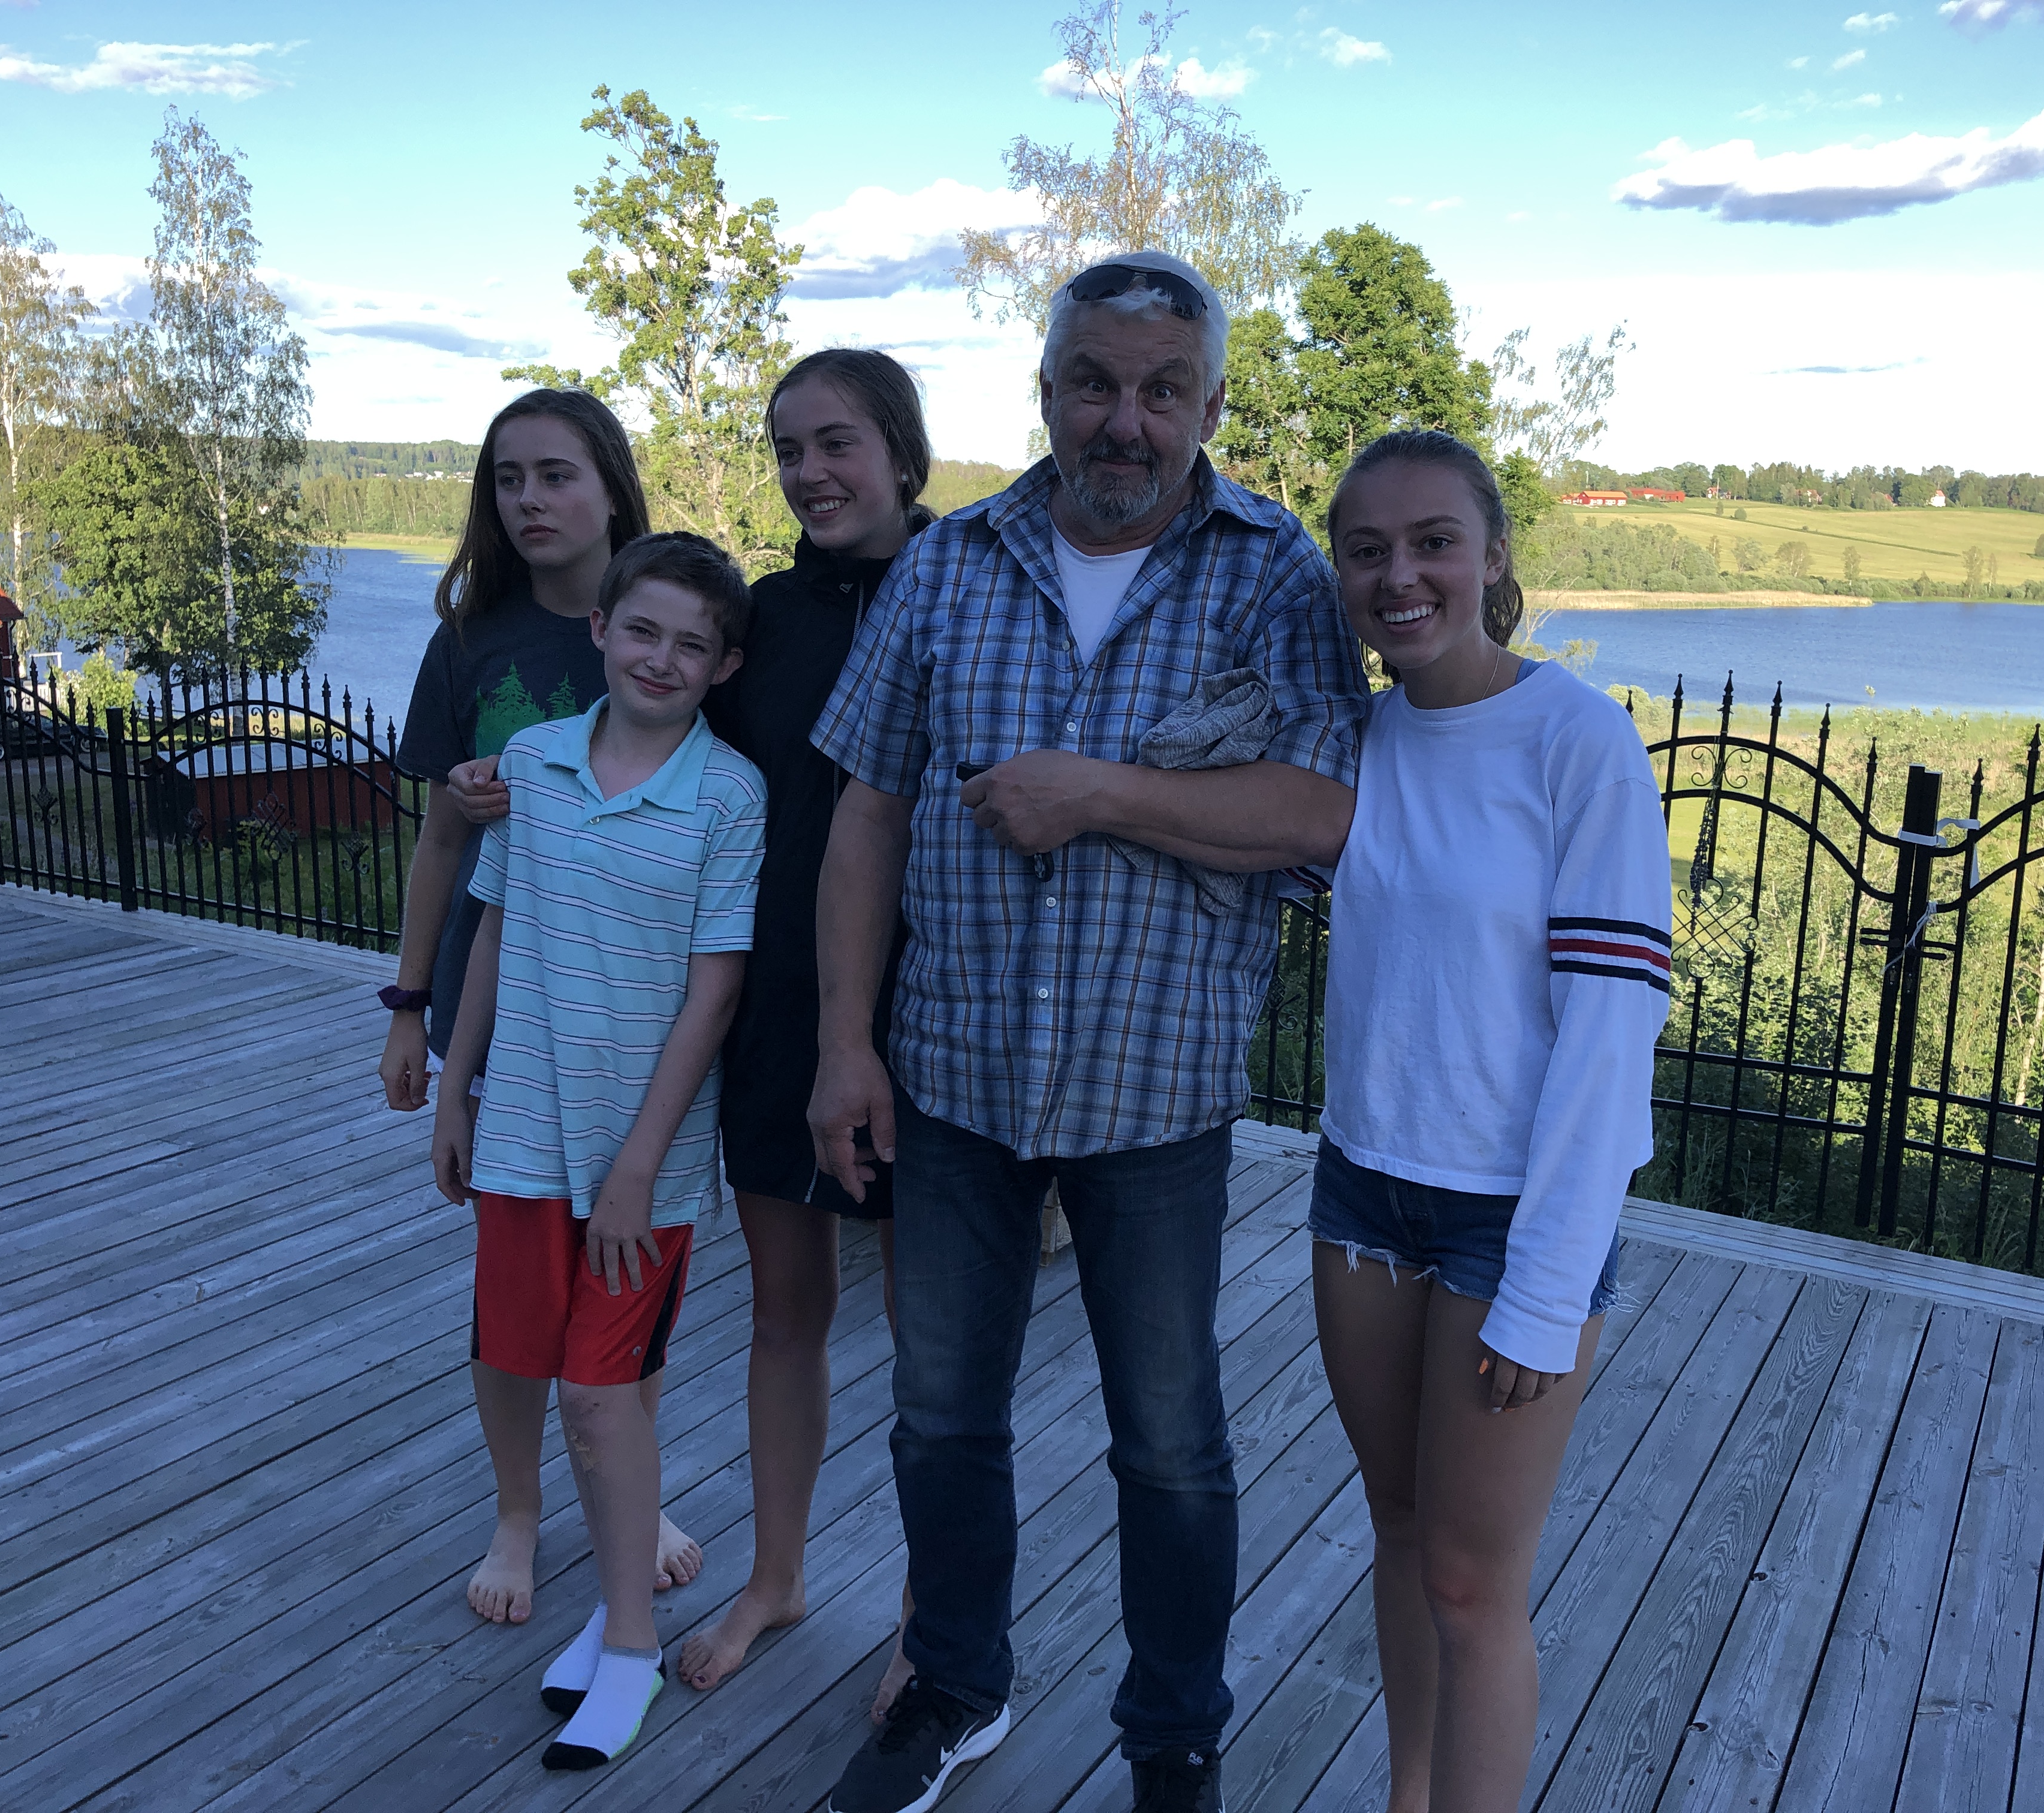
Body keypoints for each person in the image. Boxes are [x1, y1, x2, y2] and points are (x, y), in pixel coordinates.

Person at [808, 252, 1368, 1813]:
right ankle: (954, 1688)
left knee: (1171, 1445)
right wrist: (846, 1042)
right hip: (953, 1075)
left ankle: (1173, 1736)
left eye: (1162, 390)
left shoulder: (1274, 573)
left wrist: (1098, 793)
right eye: (1095, 383)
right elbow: (868, 808)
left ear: (1210, 403)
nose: (1126, 420)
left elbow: (1322, 812)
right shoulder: (951, 563)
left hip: (1157, 1094)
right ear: (1045, 388)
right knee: (940, 1417)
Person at [1311, 432, 1671, 1813]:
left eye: (1433, 542)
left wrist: (1547, 1287)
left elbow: (1608, 1039)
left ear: (1493, 557)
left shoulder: (1579, 743)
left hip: (1509, 1221)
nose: (1399, 575)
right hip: (1362, 1192)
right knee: (1400, 1528)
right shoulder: (1360, 737)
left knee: (1472, 1584)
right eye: (1366, 550)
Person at [429, 531, 765, 1772]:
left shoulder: (729, 797)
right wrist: (457, 1088)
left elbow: (714, 994)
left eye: (692, 644)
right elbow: (493, 930)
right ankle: (607, 1606)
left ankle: (629, 1645)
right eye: (643, 631)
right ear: (602, 632)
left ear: (724, 665)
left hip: (644, 1162)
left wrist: (637, 1165)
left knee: (599, 1397)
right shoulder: (532, 763)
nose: (661, 659)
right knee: (529, 1364)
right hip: (522, 1132)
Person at [379, 387, 700, 1625]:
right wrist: (412, 1011)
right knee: (510, 1296)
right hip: (502, 1015)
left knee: (630, 1278)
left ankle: (633, 1490)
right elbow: (438, 846)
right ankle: (518, 1512)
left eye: (556, 475)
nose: (529, 501)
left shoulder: (668, 625)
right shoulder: (473, 640)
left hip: (636, 1014)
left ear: (611, 485)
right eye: (507, 480)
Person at [677, 349, 933, 1710]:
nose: (809, 473)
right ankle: (777, 1578)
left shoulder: (968, 593)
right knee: (785, 1315)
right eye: (788, 449)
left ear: (901, 451)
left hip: (933, 1016)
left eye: (836, 443)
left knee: (930, 1341)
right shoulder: (761, 623)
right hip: (778, 1008)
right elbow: (657, 751)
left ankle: (929, 1622)